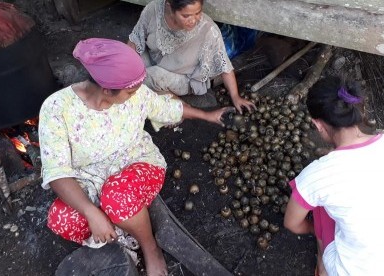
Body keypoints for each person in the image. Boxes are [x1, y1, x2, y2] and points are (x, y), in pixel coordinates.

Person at [39, 38, 232, 276]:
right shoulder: (57, 108)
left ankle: (149, 247)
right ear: (107, 90)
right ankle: (121, 232)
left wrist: (208, 116)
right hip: (88, 179)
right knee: (61, 219)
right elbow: (57, 171)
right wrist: (90, 212)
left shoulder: (136, 95)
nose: (138, 93)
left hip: (137, 163)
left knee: (117, 197)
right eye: (131, 90)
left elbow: (167, 108)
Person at [283, 76, 384, 276]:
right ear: (359, 110)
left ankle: (323, 268)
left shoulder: (318, 175)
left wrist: (315, 230)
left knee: (321, 204)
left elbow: (292, 224)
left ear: (318, 125)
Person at [127, 0, 255, 114]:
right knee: (131, 59)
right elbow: (135, 39)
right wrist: (124, 68)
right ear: (169, 6)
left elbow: (224, 66)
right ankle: (162, 95)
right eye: (186, 16)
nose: (193, 20)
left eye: (198, 13)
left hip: (184, 78)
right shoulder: (154, 9)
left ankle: (179, 105)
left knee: (148, 76)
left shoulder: (208, 30)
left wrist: (235, 97)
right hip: (156, 60)